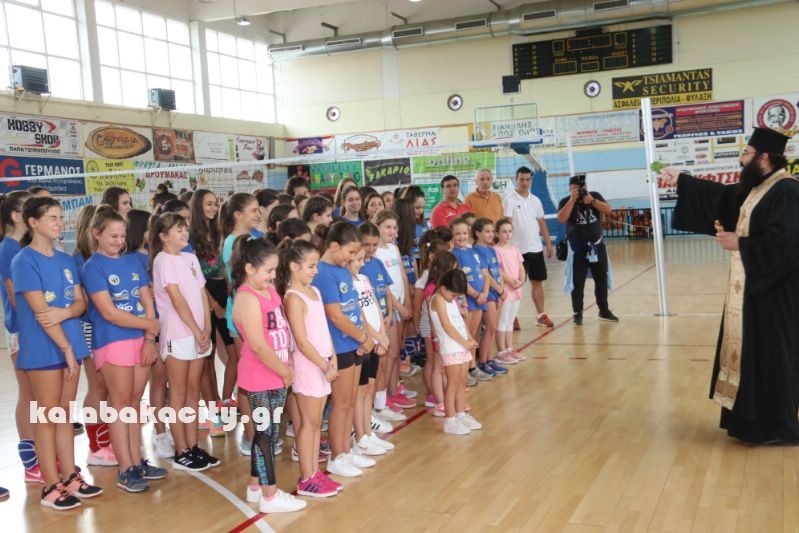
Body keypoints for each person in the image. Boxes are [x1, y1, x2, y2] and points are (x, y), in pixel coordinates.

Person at [661, 126, 799, 444]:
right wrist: (682, 179)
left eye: (747, 154)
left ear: (765, 157)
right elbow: (724, 198)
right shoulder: (760, 188)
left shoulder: (787, 191)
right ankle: (751, 424)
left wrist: (741, 244)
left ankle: (779, 427)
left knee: (773, 359)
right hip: (753, 293)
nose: (741, 159)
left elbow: (787, 245)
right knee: (754, 358)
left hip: (776, 295)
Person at [12, 196, 102, 510]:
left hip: (70, 344)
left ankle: (70, 476)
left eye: (61, 217)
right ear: (33, 222)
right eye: (52, 217)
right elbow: (41, 312)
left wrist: (64, 314)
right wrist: (64, 348)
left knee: (64, 414)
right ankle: (50, 486)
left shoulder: (65, 260)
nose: (59, 223)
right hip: (45, 348)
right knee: (47, 416)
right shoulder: (24, 260)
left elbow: (80, 303)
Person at [83, 206, 167, 492]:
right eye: (113, 236)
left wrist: (149, 339)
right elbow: (109, 313)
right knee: (120, 406)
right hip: (112, 341)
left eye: (122, 236)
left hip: (140, 340)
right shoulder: (92, 267)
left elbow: (147, 300)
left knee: (133, 402)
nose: (119, 241)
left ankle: (136, 461)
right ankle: (125, 468)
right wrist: (150, 325)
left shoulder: (132, 262)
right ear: (97, 234)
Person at [231, 237, 307, 513]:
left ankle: (255, 487)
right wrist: (284, 371)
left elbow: (281, 329)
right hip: (261, 375)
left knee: (270, 432)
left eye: (275, 270)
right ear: (249, 268)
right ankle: (270, 495)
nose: (273, 276)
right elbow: (258, 345)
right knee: (265, 435)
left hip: (277, 372)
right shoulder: (246, 298)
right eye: (268, 271)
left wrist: (288, 363)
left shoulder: (268, 291)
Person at [151, 213, 218, 471]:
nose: (184, 233)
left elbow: (201, 293)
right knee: (177, 393)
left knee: (193, 391)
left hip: (198, 333)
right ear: (163, 236)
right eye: (178, 229)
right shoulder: (162, 260)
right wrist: (196, 329)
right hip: (177, 334)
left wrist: (207, 328)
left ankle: (192, 446)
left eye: (185, 228)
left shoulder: (190, 258)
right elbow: (177, 300)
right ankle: (181, 450)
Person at [312, 222, 377, 478]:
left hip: (353, 343)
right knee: (340, 404)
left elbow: (354, 306)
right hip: (339, 346)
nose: (351, 258)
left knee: (350, 401)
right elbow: (335, 316)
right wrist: (362, 337)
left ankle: (347, 451)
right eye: (349, 252)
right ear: (333, 246)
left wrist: (363, 338)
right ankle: (337, 456)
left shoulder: (342, 270)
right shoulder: (324, 273)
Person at [277, 239, 341, 498]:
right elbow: (301, 341)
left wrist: (332, 357)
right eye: (311, 266)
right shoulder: (293, 298)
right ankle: (306, 478)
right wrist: (324, 364)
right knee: (309, 423)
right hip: (309, 366)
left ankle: (314, 472)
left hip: (323, 362)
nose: (315, 271)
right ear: (294, 266)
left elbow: (323, 330)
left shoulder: (314, 291)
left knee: (315, 424)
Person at [0, 191, 44, 483]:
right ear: (18, 216)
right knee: (29, 394)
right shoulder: (8, 249)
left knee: (41, 396)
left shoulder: (28, 247)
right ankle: (31, 462)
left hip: (38, 328)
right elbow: (16, 297)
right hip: (22, 330)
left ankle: (45, 453)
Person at [557, 175, 618, 325]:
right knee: (577, 283)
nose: (577, 192)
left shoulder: (594, 196)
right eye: (573, 189)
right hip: (578, 249)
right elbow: (561, 219)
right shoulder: (565, 201)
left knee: (601, 279)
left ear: (585, 188)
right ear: (570, 189)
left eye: (579, 189)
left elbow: (608, 210)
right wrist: (572, 200)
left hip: (597, 247)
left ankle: (604, 310)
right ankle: (577, 313)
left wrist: (593, 201)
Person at [429, 269, 481, 435]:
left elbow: (459, 321)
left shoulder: (449, 298)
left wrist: (469, 338)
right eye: (453, 295)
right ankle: (450, 420)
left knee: (461, 383)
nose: (454, 298)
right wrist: (464, 342)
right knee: (452, 385)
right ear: (443, 288)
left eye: (457, 296)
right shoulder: (438, 299)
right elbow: (447, 325)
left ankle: (460, 414)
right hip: (451, 348)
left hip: (461, 347)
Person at [503, 166, 554, 327]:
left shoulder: (536, 200)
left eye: (527, 179)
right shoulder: (509, 200)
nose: (524, 183)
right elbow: (507, 224)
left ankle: (541, 315)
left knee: (537, 282)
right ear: (516, 179)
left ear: (530, 180)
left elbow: (541, 222)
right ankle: (512, 317)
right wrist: (507, 248)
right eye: (521, 179)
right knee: (515, 284)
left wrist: (548, 243)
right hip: (517, 250)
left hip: (536, 249)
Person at [493, 218, 525, 362]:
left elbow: (521, 267)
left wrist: (521, 281)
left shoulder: (515, 249)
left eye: (510, 231)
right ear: (497, 233)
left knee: (510, 320)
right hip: (505, 289)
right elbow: (499, 270)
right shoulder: (496, 250)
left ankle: (509, 349)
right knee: (503, 320)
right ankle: (501, 351)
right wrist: (512, 282)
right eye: (504, 231)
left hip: (516, 289)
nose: (507, 234)